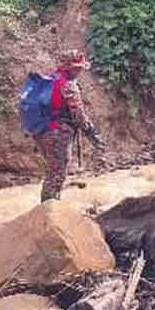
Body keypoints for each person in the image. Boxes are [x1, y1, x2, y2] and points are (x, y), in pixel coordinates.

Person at [35, 50, 106, 202]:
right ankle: (49, 210)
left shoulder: (52, 79)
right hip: (57, 133)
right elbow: (78, 115)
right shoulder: (68, 86)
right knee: (57, 173)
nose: (80, 70)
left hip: (41, 131)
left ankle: (49, 206)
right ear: (68, 67)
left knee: (52, 169)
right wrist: (92, 134)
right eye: (77, 67)